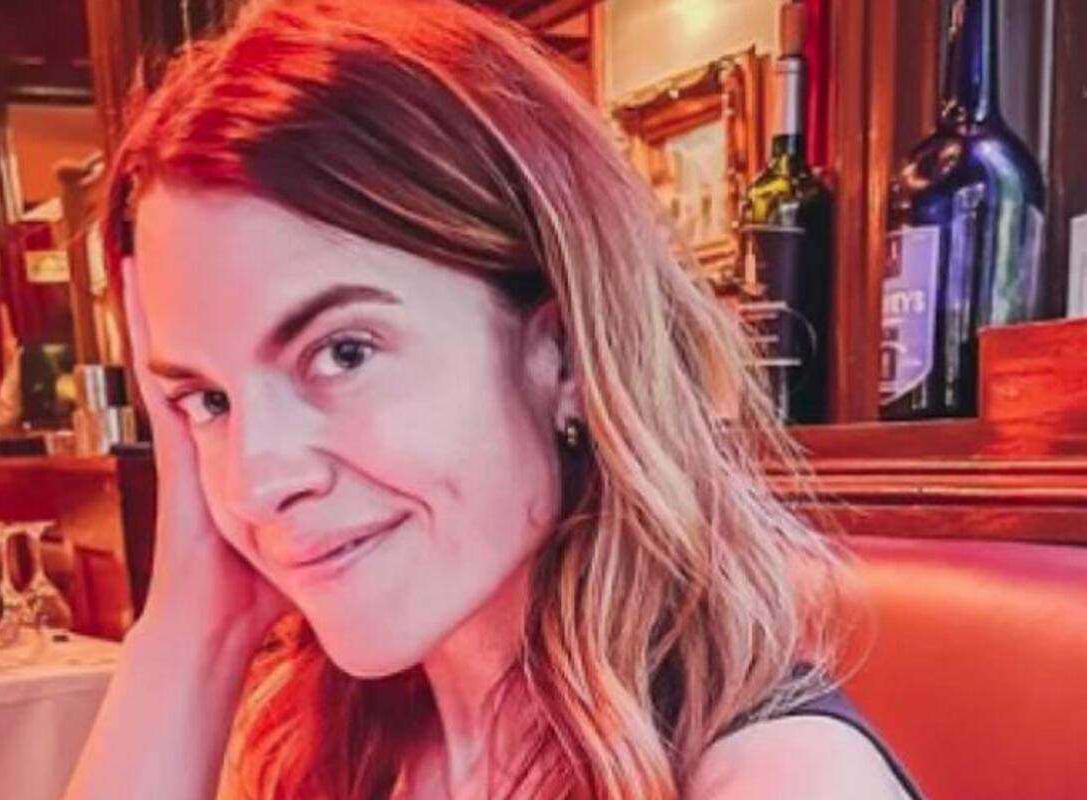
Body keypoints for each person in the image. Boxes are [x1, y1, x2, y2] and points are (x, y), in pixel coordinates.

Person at [65, 2, 922, 798]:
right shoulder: (320, 736)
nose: (255, 483)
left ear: (565, 352)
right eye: (207, 399)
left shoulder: (783, 780)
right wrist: (192, 631)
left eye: (343, 352)